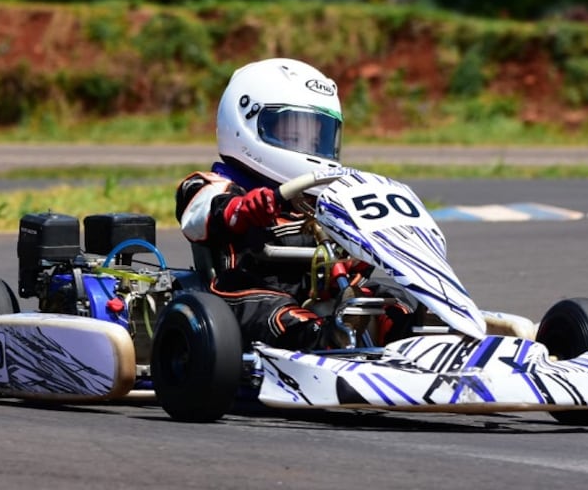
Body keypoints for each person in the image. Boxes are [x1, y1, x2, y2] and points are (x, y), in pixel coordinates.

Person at [175, 58, 414, 350]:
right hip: (243, 294)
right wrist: (244, 209)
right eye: (293, 135)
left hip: (319, 293)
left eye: (317, 138)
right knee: (272, 309)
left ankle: (413, 332)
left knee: (387, 293)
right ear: (247, 122)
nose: (307, 148)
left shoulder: (318, 199)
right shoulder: (212, 185)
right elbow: (205, 213)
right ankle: (323, 342)